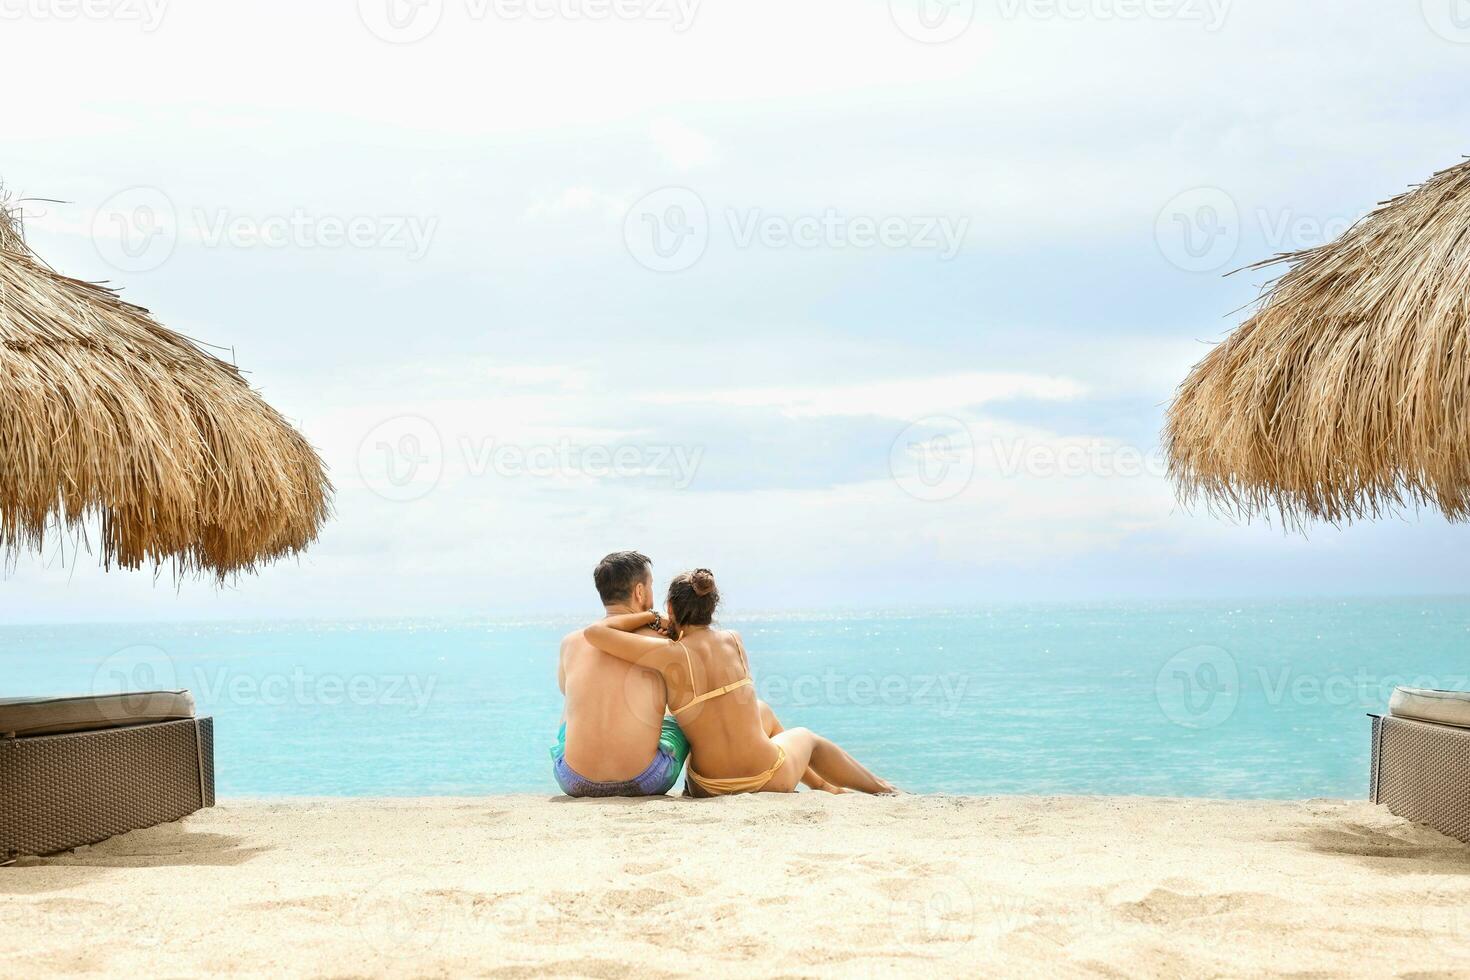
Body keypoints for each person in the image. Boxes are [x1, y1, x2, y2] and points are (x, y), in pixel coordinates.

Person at [582, 568, 895, 797]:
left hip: (708, 786)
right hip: (769, 777)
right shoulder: (734, 640)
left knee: (763, 711)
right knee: (807, 738)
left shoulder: (668, 653)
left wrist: (653, 619)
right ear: (713, 607)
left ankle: (825, 786)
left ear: (672, 609)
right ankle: (877, 788)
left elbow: (595, 633)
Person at [552, 551, 688, 797]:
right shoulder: (661, 640)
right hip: (645, 778)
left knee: (569, 703)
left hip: (573, 779)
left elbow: (565, 690)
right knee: (683, 714)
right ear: (639, 592)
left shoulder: (570, 642)